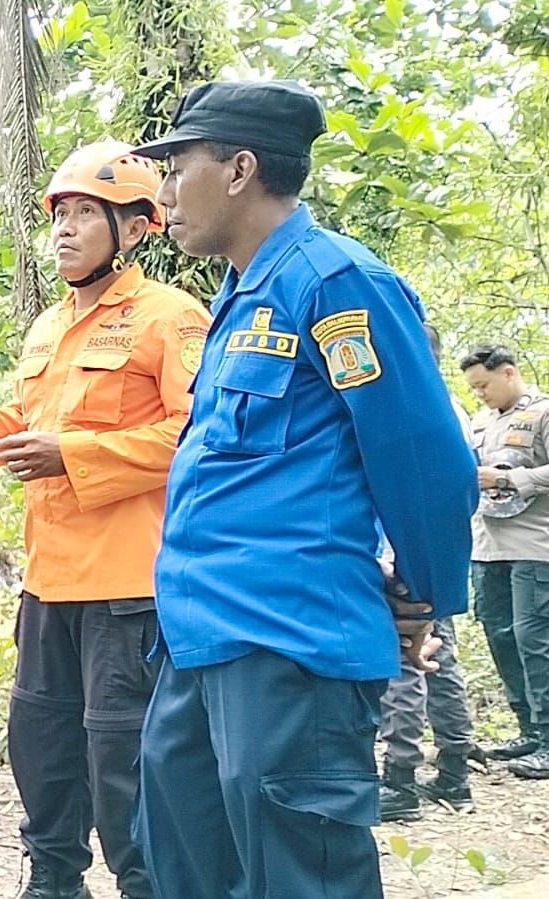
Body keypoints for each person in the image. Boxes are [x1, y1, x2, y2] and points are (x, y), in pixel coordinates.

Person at [130, 80, 478, 898]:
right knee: (183, 867)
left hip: (288, 642)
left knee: (298, 875)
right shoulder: (236, 294)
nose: (165, 192)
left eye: (178, 168)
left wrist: (421, 594)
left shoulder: (334, 283)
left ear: (240, 168)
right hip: (197, 636)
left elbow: (425, 459)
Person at [0, 141, 210, 899]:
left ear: (135, 229)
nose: (65, 229)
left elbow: (198, 433)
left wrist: (73, 453)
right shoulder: (47, 326)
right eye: (60, 214)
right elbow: (24, 422)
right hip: (47, 583)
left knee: (123, 761)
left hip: (125, 586)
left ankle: (146, 884)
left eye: (84, 213)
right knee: (40, 746)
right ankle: (51, 880)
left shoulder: (168, 316)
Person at [377, 323, 481, 821]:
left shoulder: (417, 407)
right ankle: (455, 773)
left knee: (407, 661)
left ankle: (400, 779)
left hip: (408, 550)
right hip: (439, 549)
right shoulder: (450, 408)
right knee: (441, 658)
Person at [461, 343, 549, 778]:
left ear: (510, 373)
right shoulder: (479, 421)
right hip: (487, 547)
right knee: (501, 638)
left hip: (534, 547)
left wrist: (511, 478)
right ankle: (528, 731)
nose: (480, 394)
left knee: (536, 642)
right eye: (473, 388)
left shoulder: (542, 413)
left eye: (484, 384)